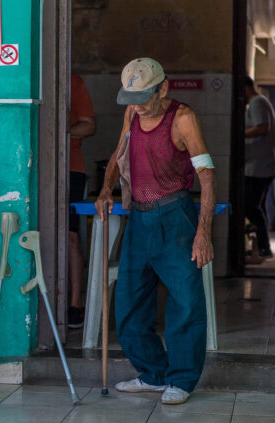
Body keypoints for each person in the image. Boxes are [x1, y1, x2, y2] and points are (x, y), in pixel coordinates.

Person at [95, 57, 215, 405]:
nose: (139, 105)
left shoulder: (183, 119)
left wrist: (202, 232)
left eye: (146, 97)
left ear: (164, 88)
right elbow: (120, 155)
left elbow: (207, 175)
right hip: (140, 220)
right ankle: (153, 374)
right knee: (129, 302)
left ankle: (182, 380)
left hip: (175, 216)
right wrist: (106, 190)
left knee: (185, 302)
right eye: (132, 98)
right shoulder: (133, 112)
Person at [68, 72, 96, 328]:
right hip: (37, 165)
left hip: (71, 167)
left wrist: (60, 132)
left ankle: (74, 304)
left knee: (70, 237)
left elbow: (89, 124)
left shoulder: (74, 81)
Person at [244, 76, 275, 259]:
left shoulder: (257, 102)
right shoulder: (258, 103)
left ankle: (264, 246)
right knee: (257, 206)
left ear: (245, 88)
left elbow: (262, 127)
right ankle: (263, 247)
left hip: (260, 166)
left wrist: (238, 133)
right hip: (260, 165)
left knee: (249, 206)